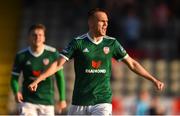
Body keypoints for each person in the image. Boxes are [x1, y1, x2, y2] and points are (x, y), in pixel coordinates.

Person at [28, 8, 164, 115]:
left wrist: (153, 79)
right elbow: (58, 64)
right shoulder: (78, 42)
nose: (106, 24)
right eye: (102, 21)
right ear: (91, 22)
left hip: (102, 100)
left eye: (107, 21)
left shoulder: (112, 43)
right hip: (79, 101)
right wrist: (38, 80)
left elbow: (132, 64)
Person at [11, 24, 67, 116]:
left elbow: (60, 77)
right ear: (29, 37)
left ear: (44, 38)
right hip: (27, 101)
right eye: (34, 35)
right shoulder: (21, 56)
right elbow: (14, 78)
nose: (37, 37)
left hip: (47, 101)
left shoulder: (53, 53)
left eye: (40, 35)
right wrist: (16, 91)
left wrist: (62, 98)